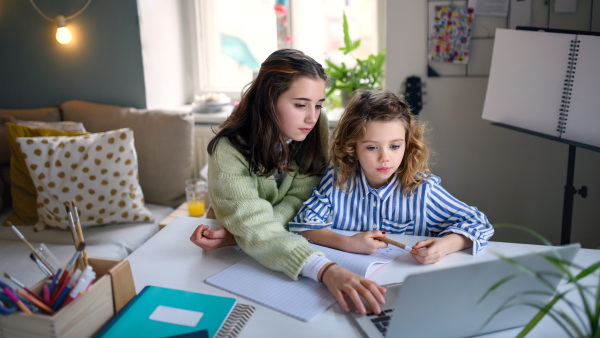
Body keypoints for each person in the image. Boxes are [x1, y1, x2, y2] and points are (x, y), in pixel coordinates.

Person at [189, 49, 387, 315]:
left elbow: (301, 199)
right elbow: (253, 223)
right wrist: (325, 269)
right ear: (268, 101)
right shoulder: (228, 150)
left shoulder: (315, 128)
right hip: (227, 259)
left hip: (255, 240)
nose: (312, 117)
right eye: (301, 104)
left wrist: (244, 233)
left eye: (318, 104)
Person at [289, 90, 494, 264]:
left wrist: (446, 245)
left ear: (407, 145)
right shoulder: (337, 180)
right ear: (352, 148)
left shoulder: (421, 189)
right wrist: (349, 242)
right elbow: (302, 225)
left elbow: (480, 225)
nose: (385, 158)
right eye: (371, 147)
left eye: (395, 146)